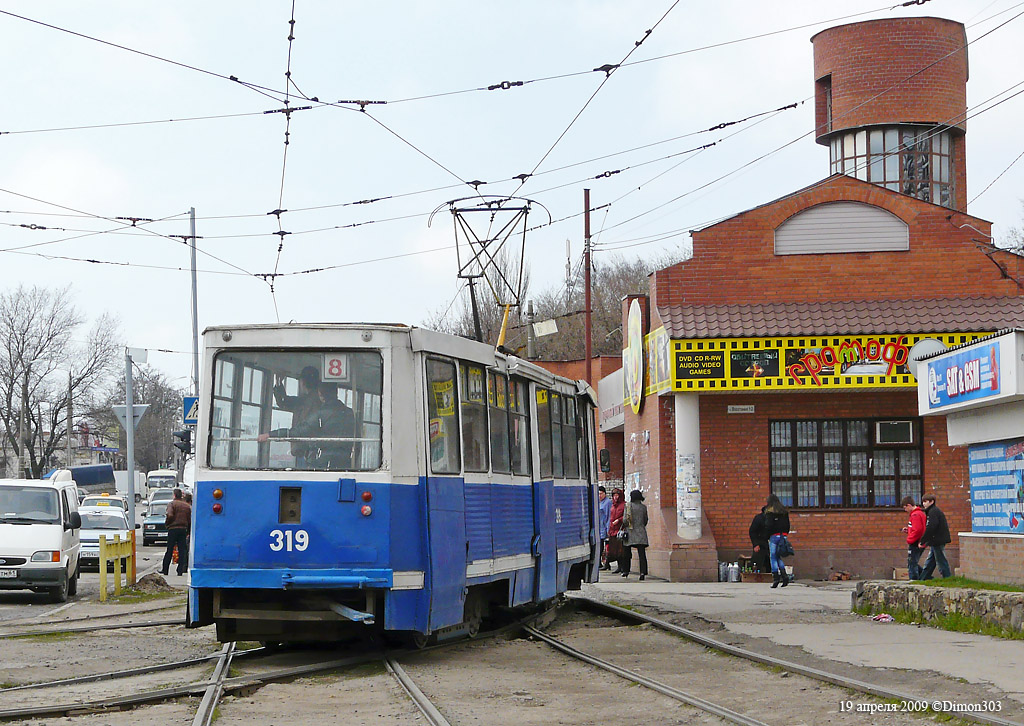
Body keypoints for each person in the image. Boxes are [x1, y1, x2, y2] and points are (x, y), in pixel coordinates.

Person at [259, 382, 355, 470]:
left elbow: (298, 432)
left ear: (321, 394)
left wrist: (270, 435)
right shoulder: (350, 413)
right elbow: (356, 439)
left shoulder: (320, 415)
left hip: (322, 464)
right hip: (346, 463)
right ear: (336, 392)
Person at [272, 365, 321, 466]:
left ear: (303, 382)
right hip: (314, 448)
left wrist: (278, 383)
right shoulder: (320, 401)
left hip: (304, 447)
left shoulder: (302, 401)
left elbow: (283, 402)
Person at [918, 493, 952, 580]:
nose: (924, 504)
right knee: (931, 560)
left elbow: (931, 527)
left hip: (937, 540)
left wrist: (923, 540)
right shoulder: (933, 511)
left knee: (940, 560)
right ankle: (924, 578)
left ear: (932, 502)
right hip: (936, 540)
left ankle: (947, 577)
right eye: (923, 502)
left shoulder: (933, 512)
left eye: (926, 501)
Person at [161, 488, 192, 577]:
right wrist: (188, 531)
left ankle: (165, 569)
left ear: (174, 495)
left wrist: (168, 524)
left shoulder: (171, 504)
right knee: (182, 550)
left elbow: (170, 515)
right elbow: (189, 520)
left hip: (173, 529)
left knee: (169, 549)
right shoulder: (186, 506)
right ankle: (180, 570)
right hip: (183, 529)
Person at [621, 490, 649, 580]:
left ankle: (626, 571)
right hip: (641, 532)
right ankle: (642, 572)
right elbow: (645, 520)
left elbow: (625, 520)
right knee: (642, 554)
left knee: (626, 553)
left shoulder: (628, 506)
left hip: (630, 532)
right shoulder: (643, 507)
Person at [763, 493, 791, 588]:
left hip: (774, 536)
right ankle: (784, 576)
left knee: (773, 557)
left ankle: (776, 578)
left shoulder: (769, 512)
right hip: (783, 536)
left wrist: (766, 536)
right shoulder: (784, 512)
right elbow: (788, 525)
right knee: (778, 556)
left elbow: (768, 526)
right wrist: (785, 534)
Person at [901, 496, 926, 580]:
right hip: (919, 541)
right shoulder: (920, 513)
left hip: (915, 542)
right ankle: (925, 577)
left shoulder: (915, 515)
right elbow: (917, 528)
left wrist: (909, 539)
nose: (905, 510)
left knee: (912, 563)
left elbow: (918, 530)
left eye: (905, 508)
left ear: (909, 505)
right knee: (913, 562)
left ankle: (914, 580)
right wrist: (908, 530)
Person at [607, 488, 626, 573]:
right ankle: (619, 566)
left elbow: (625, 516)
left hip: (620, 530)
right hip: (612, 529)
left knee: (621, 550)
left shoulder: (624, 505)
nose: (615, 497)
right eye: (614, 495)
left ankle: (622, 567)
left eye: (617, 495)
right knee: (614, 549)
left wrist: (619, 520)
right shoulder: (612, 505)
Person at [748, 505, 770, 574]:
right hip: (760, 543)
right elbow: (752, 531)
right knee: (757, 561)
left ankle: (768, 575)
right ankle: (754, 574)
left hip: (768, 543)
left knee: (768, 561)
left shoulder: (770, 519)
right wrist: (756, 544)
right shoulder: (759, 518)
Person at [597, 486, 612, 570]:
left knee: (606, 547)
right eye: (598, 494)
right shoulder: (598, 502)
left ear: (605, 494)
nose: (600, 495)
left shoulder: (607, 503)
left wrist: (608, 528)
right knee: (600, 546)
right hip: (599, 528)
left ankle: (606, 563)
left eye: (601, 494)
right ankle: (600, 563)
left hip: (604, 528)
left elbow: (608, 516)